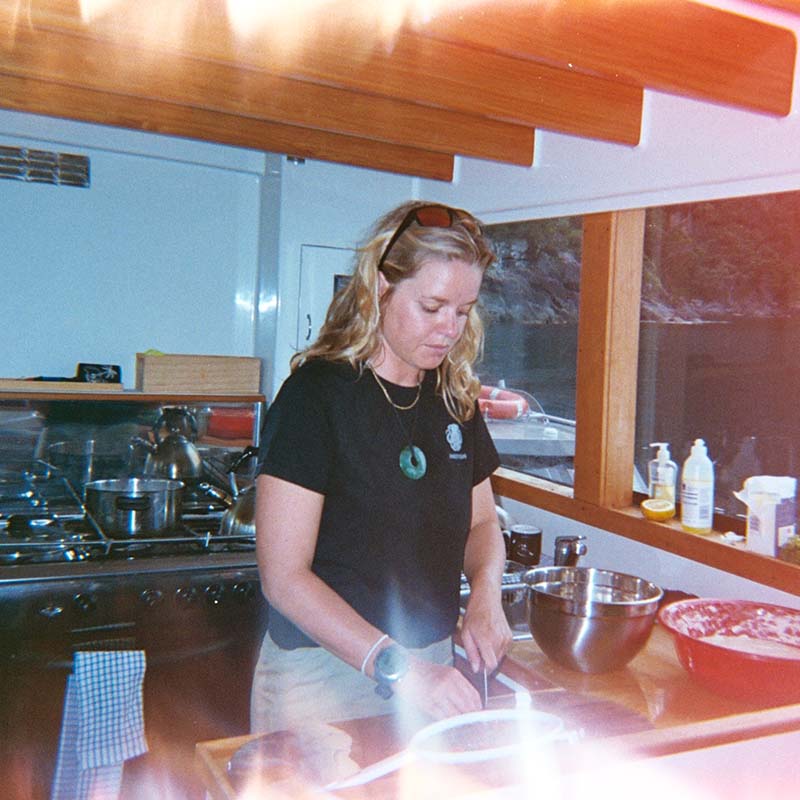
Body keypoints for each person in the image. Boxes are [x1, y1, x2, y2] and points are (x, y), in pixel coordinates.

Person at [251, 201, 512, 737]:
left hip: (433, 669)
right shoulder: (315, 397)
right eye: (433, 306)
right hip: (323, 677)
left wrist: (487, 591)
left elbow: (482, 523)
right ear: (380, 288)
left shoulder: (453, 395)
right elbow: (284, 577)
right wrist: (399, 667)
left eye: (463, 311)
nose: (450, 330)